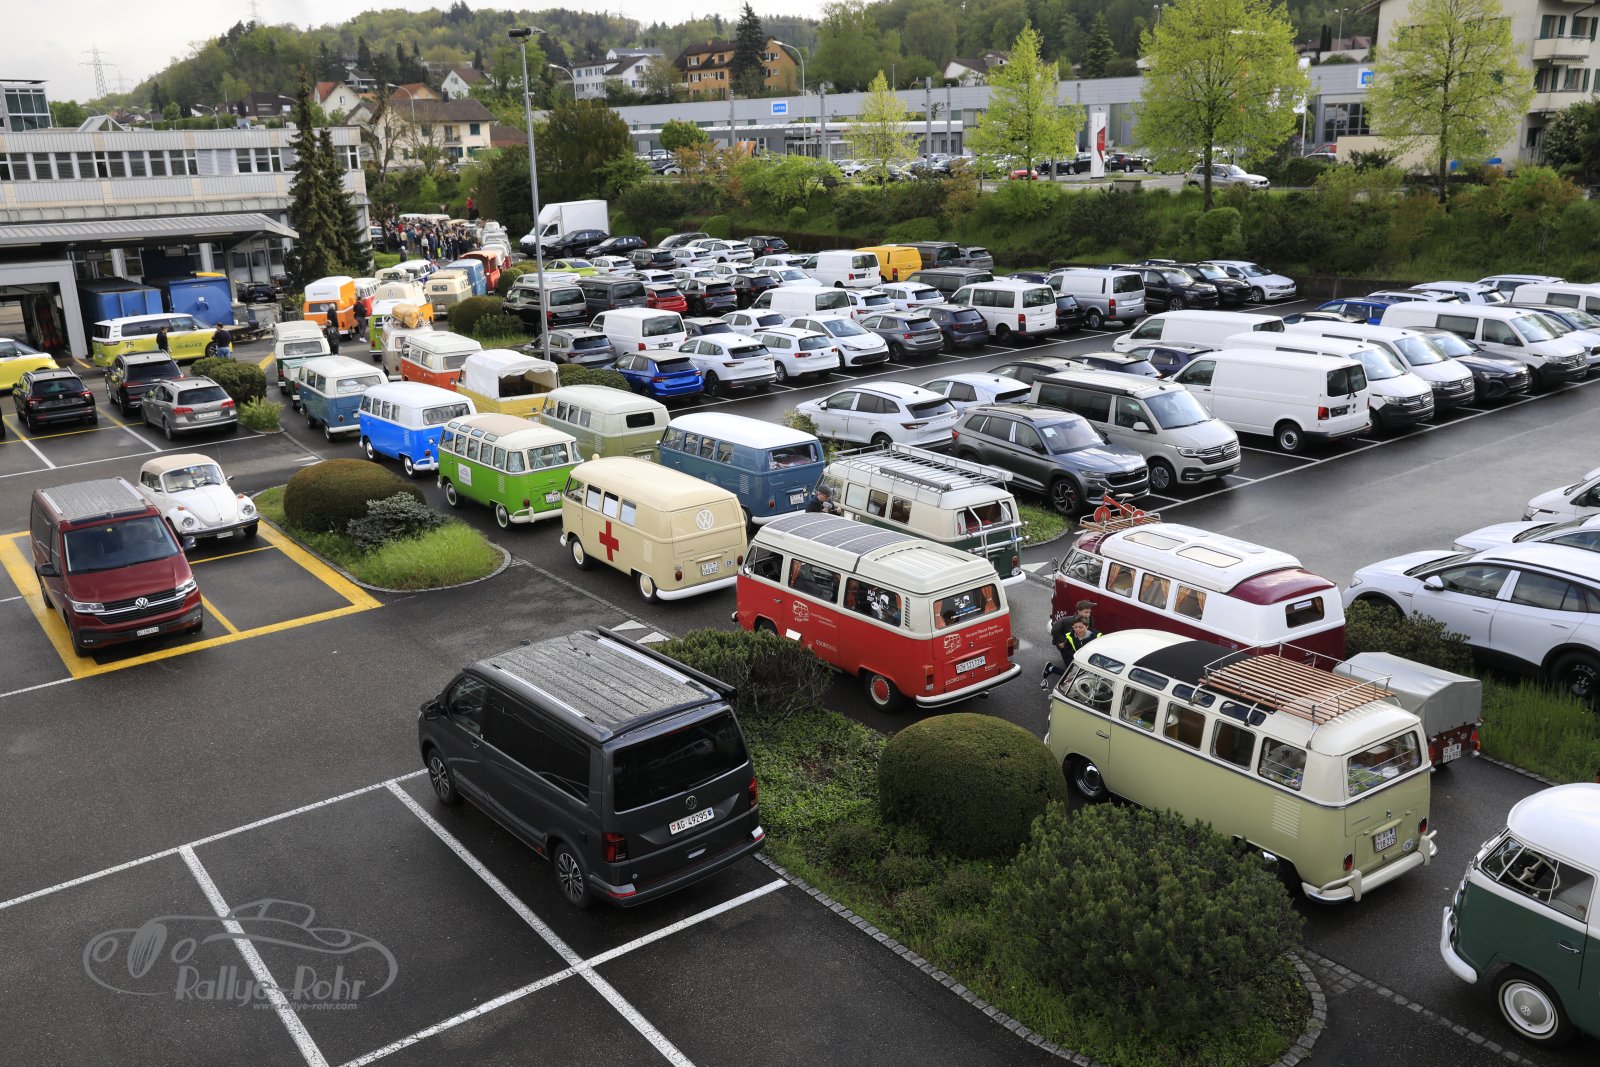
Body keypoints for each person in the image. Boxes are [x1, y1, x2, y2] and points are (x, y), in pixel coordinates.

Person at [1042, 617, 1096, 689]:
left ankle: (1050, 668)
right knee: (1072, 675)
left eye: (1080, 627)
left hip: (1091, 662)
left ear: (1087, 626)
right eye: (1075, 627)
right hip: (1077, 660)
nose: (1077, 629)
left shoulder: (1096, 637)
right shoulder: (1070, 637)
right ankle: (1051, 668)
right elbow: (1065, 650)